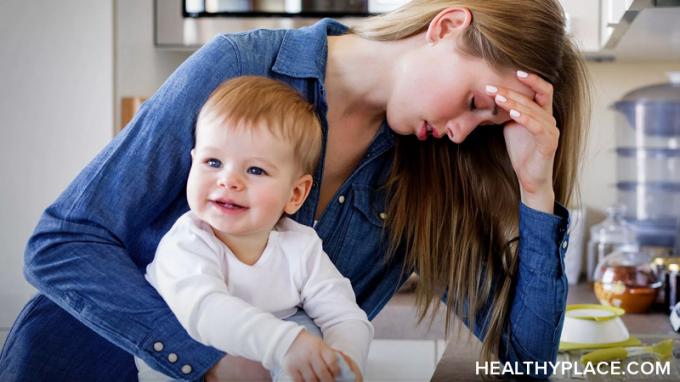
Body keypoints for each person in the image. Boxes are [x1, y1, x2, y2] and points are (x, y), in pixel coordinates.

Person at [0, 0, 589, 380]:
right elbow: (63, 242)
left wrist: (535, 190)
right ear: (446, 26)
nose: (462, 133)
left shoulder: (432, 174)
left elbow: (526, 364)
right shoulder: (240, 66)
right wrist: (209, 365)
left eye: (487, 126)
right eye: (473, 104)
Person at [137, 76, 371, 382]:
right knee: (299, 338)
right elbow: (206, 311)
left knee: (310, 338)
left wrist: (341, 361)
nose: (228, 180)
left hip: (268, 362)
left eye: (255, 170)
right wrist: (286, 344)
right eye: (213, 162)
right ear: (192, 164)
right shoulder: (186, 243)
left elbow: (344, 315)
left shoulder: (301, 247)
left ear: (295, 195)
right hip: (189, 372)